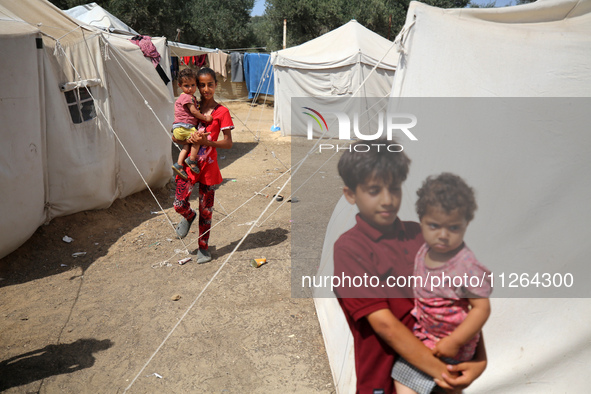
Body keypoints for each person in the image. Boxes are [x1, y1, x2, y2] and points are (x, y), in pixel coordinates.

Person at [332, 139, 487, 394]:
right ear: (350, 194)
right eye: (374, 190)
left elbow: (461, 303)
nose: (387, 200)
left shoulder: (421, 235)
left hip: (445, 370)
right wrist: (443, 374)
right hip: (385, 377)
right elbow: (385, 326)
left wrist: (478, 359)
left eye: (394, 189)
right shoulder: (351, 249)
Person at [391, 173, 492, 394]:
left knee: (448, 386)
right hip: (426, 336)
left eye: (453, 228)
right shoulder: (424, 250)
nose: (443, 235)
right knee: (403, 380)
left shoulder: (465, 265)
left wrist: (455, 341)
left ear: (466, 224)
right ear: (422, 220)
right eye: (434, 226)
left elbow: (481, 308)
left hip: (455, 345)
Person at [172, 67, 234, 264]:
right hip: (190, 166)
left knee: (206, 211)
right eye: (202, 85)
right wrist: (183, 136)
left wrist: (207, 143)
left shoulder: (222, 112)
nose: (206, 89)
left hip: (208, 168)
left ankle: (204, 248)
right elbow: (175, 134)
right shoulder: (191, 104)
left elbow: (228, 142)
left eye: (210, 84)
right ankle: (188, 216)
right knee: (179, 203)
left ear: (216, 85)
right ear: (196, 86)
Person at [171, 68, 214, 180]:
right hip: (185, 127)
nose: (190, 89)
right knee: (197, 138)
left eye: (193, 85)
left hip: (179, 129)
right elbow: (194, 112)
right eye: (186, 86)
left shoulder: (188, 97)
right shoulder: (186, 97)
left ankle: (179, 164)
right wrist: (206, 118)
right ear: (180, 86)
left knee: (187, 144)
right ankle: (192, 159)